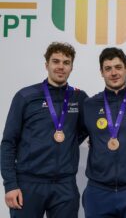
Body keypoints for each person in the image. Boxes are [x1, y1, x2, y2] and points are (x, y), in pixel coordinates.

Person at [1, 42, 88, 218]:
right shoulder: (26, 96)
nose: (61, 67)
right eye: (56, 61)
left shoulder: (79, 98)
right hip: (29, 184)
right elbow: (8, 142)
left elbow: (85, 129)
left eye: (66, 62)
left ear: (72, 67)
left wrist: (68, 143)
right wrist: (10, 185)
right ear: (46, 64)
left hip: (65, 186)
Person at [82, 47, 126, 218]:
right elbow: (71, 137)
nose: (114, 73)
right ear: (101, 72)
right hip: (98, 192)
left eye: (118, 67)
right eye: (108, 68)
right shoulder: (89, 105)